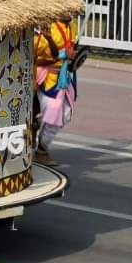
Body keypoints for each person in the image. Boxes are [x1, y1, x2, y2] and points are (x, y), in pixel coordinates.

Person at [32, 22, 78, 165]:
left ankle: (37, 128)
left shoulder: (72, 26)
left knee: (65, 115)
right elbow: (34, 58)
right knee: (53, 117)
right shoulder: (47, 28)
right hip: (47, 79)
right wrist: (63, 55)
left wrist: (74, 57)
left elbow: (74, 52)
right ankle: (42, 150)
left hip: (63, 78)